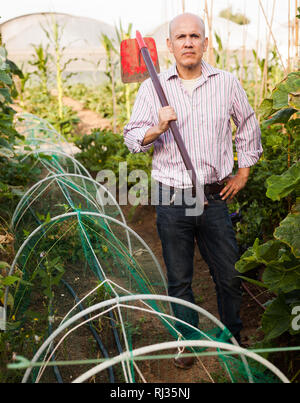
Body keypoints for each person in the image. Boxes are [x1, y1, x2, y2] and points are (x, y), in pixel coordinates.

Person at [124, 13, 263, 369]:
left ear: (205, 42)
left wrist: (244, 171)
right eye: (181, 37)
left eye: (194, 36)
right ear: (169, 46)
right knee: (179, 276)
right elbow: (131, 139)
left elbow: (247, 123)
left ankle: (232, 334)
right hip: (173, 196)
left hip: (216, 194)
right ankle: (187, 339)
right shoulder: (152, 88)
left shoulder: (226, 83)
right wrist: (157, 127)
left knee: (228, 272)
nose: (188, 42)